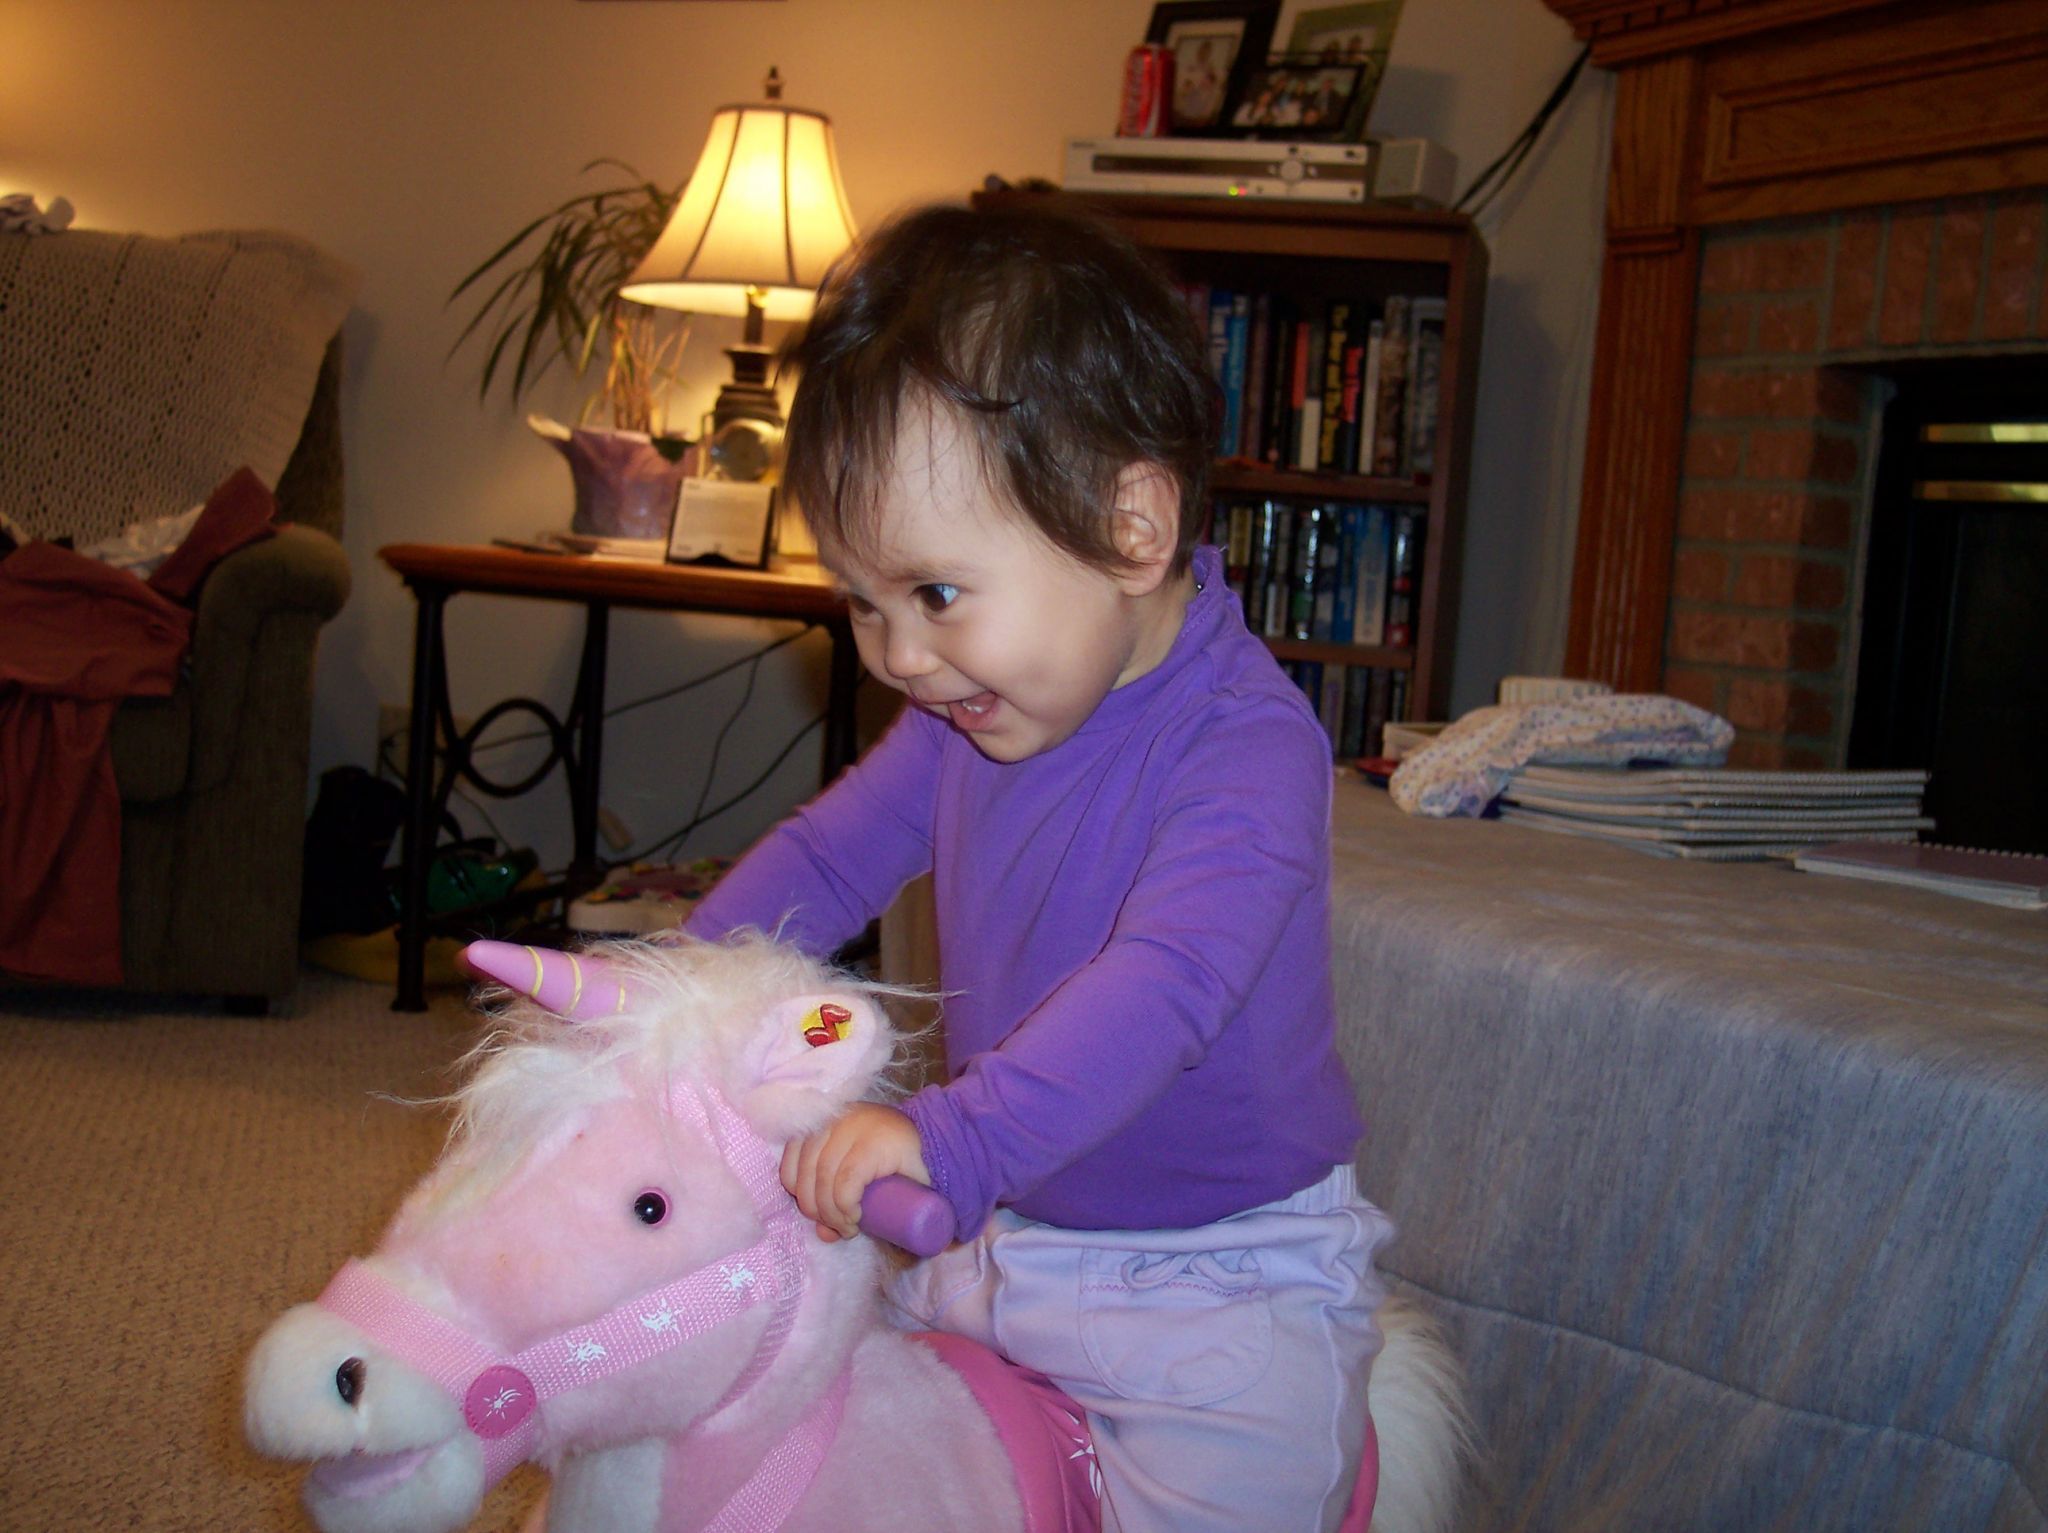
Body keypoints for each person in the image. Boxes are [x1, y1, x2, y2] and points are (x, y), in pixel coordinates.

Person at [682, 201, 1392, 1533]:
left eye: (935, 594)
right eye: (863, 603)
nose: (899, 656)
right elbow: (833, 853)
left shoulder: (1248, 750)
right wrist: (680, 991)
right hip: (1001, 1227)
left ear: (1131, 528)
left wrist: (949, 1135)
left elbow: (1166, 988)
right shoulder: (973, 709)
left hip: (1217, 1285)